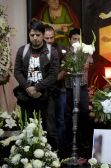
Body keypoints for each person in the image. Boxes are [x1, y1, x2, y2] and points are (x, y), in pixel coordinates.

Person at [14, 19, 60, 150]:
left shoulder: (52, 51)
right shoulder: (22, 50)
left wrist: (38, 88)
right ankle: (28, 160)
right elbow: (17, 71)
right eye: (32, 35)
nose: (34, 38)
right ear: (29, 35)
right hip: (26, 95)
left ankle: (53, 160)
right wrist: (28, 88)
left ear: (43, 34)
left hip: (45, 95)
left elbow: (53, 74)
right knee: (26, 130)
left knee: (50, 130)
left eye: (38, 35)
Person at [64, 28, 92, 157]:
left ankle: (84, 139)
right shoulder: (65, 52)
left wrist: (83, 59)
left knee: (84, 111)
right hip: (68, 87)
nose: (76, 41)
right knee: (69, 114)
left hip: (82, 86)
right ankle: (70, 141)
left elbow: (87, 64)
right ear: (70, 40)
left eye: (78, 39)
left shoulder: (85, 51)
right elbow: (64, 67)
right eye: (74, 39)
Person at [44, 24, 66, 154]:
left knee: (61, 120)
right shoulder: (38, 51)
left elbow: (65, 69)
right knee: (48, 121)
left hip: (60, 89)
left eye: (52, 37)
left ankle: (61, 151)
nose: (50, 40)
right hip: (46, 91)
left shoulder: (60, 49)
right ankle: (50, 151)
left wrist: (54, 78)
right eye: (47, 38)